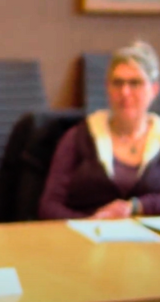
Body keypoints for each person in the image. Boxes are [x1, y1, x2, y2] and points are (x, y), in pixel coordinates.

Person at [39, 40, 160, 219]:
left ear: (154, 89)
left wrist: (136, 206)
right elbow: (49, 207)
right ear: (107, 88)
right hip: (86, 238)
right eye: (117, 83)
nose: (125, 92)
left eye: (135, 83)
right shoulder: (78, 137)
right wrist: (91, 223)